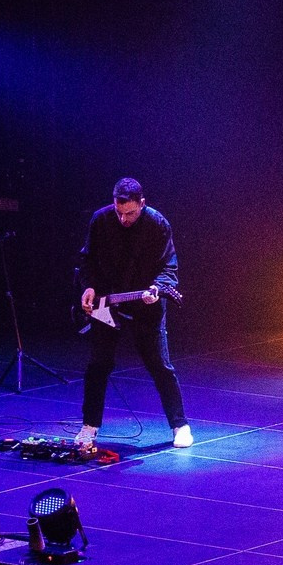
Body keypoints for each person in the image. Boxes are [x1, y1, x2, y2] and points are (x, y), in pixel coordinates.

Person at [75, 177, 190, 450]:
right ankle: (89, 425)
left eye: (130, 213)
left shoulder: (157, 224)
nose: (124, 219)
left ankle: (180, 425)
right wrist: (88, 287)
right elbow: (87, 259)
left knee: (159, 365)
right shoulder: (101, 220)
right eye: (119, 212)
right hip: (107, 301)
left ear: (142, 203)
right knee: (98, 365)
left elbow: (169, 267)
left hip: (145, 303)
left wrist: (157, 288)